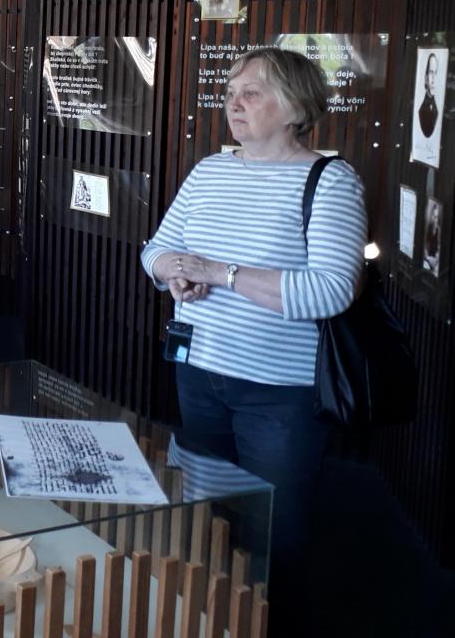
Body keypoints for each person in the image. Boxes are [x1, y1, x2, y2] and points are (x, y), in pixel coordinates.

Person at [140, 47, 366, 634]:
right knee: (206, 516)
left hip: (280, 396)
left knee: (272, 535)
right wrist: (176, 273)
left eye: (251, 92)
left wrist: (219, 273)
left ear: (295, 106)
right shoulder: (209, 171)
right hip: (199, 372)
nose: (232, 103)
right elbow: (155, 250)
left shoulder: (331, 181)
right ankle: (209, 621)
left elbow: (331, 291)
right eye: (229, 92)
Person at [418, 52, 439, 137]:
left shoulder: (437, 108)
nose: (433, 78)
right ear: (426, 77)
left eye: (435, 73)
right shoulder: (421, 109)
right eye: (431, 73)